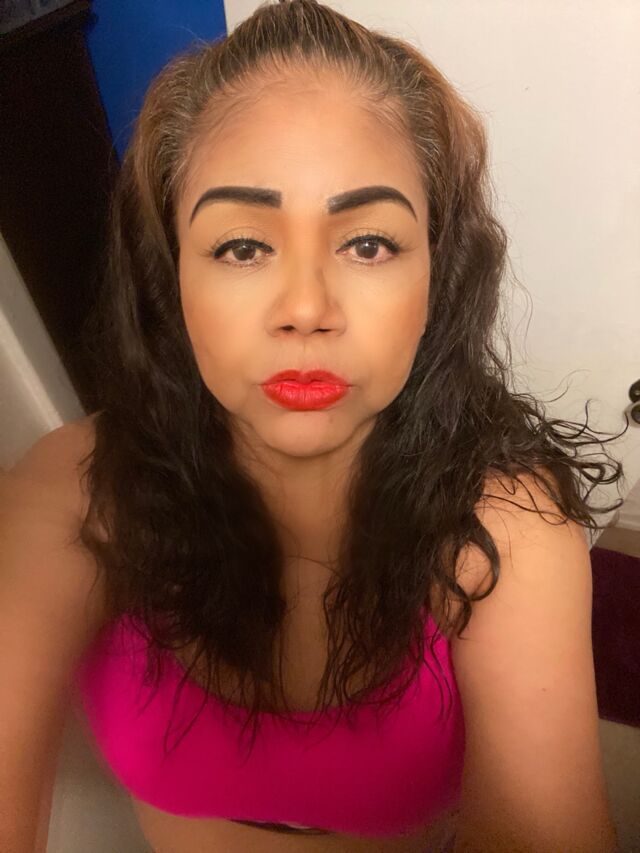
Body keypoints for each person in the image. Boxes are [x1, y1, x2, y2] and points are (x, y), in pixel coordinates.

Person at [0, 1, 624, 850]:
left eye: (368, 243)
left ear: (438, 273)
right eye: (241, 246)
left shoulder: (506, 531)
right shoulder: (74, 494)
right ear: (172, 274)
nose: (304, 306)